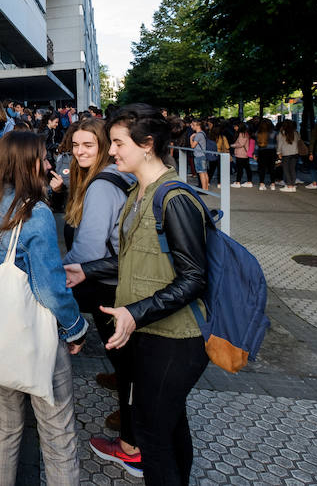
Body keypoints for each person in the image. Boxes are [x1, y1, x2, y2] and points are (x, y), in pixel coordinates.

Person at [75, 103, 209, 484]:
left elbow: (195, 277)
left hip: (177, 338)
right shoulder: (138, 192)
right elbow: (134, 262)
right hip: (151, 334)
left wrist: (136, 311)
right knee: (168, 425)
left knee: (151, 433)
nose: (111, 150)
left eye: (117, 143)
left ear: (147, 144)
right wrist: (84, 269)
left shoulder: (175, 199)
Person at [0, 131, 87, 486]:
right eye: (43, 158)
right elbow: (50, 289)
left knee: (5, 425)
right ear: (27, 164)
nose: (49, 164)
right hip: (37, 337)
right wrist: (75, 328)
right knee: (58, 432)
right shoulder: (36, 214)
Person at [49, 117, 133, 444]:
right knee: (117, 344)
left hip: (108, 280)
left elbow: (88, 249)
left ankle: (132, 425)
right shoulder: (99, 178)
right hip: (111, 277)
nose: (80, 152)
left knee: (125, 352)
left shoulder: (99, 185)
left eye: (88, 145)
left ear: (104, 147)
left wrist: (55, 275)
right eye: (75, 145)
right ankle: (121, 380)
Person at [277, 119, 300, 192]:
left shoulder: (282, 133)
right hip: (295, 153)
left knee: (286, 170)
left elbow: (279, 144)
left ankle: (289, 185)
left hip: (286, 153)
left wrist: (278, 152)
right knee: (292, 169)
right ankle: (293, 185)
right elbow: (298, 141)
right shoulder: (296, 133)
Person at [254, 118, 278, 191]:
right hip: (272, 152)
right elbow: (277, 144)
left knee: (262, 169)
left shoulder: (258, 133)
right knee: (272, 168)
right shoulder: (274, 133)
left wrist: (255, 154)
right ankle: (272, 184)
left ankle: (261, 184)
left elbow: (256, 145)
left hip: (262, 152)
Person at [231, 123, 253, 187]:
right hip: (245, 153)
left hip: (241, 153)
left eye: (235, 126)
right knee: (247, 168)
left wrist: (232, 145)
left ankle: (238, 182)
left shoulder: (241, 134)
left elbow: (240, 144)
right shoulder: (246, 133)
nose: (234, 128)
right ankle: (249, 182)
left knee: (240, 169)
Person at [189, 120, 209, 190]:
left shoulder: (198, 135)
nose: (191, 126)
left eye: (192, 125)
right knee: (204, 172)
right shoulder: (203, 133)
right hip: (203, 155)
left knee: (201, 173)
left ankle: (203, 189)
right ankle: (206, 189)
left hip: (199, 156)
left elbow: (192, 146)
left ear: (197, 125)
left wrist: (191, 138)